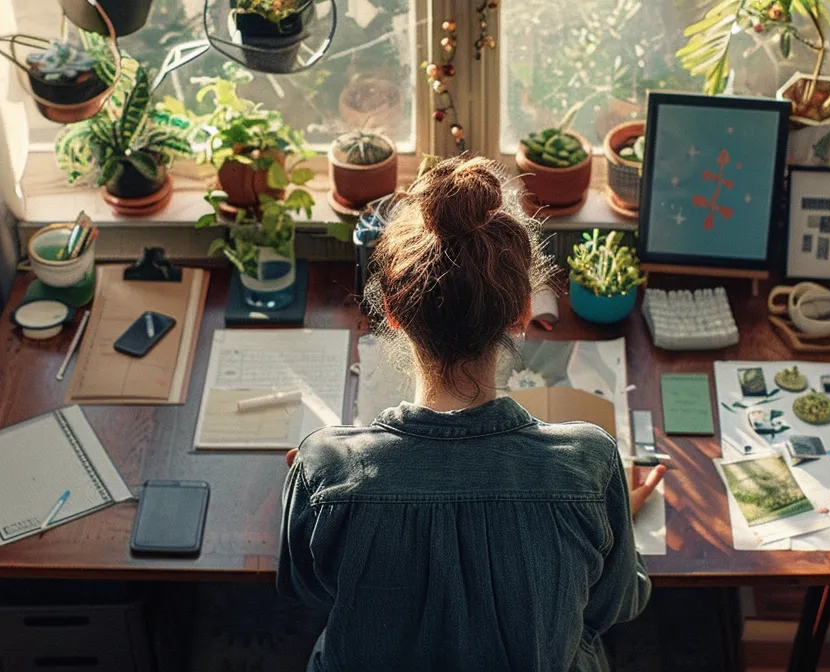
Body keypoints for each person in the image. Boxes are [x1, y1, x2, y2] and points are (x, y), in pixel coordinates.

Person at [278, 156, 666, 671]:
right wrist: (609, 515)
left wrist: (319, 495)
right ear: (523, 312)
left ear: (391, 312)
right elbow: (618, 604)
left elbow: (307, 589)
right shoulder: (588, 465)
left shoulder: (325, 466)